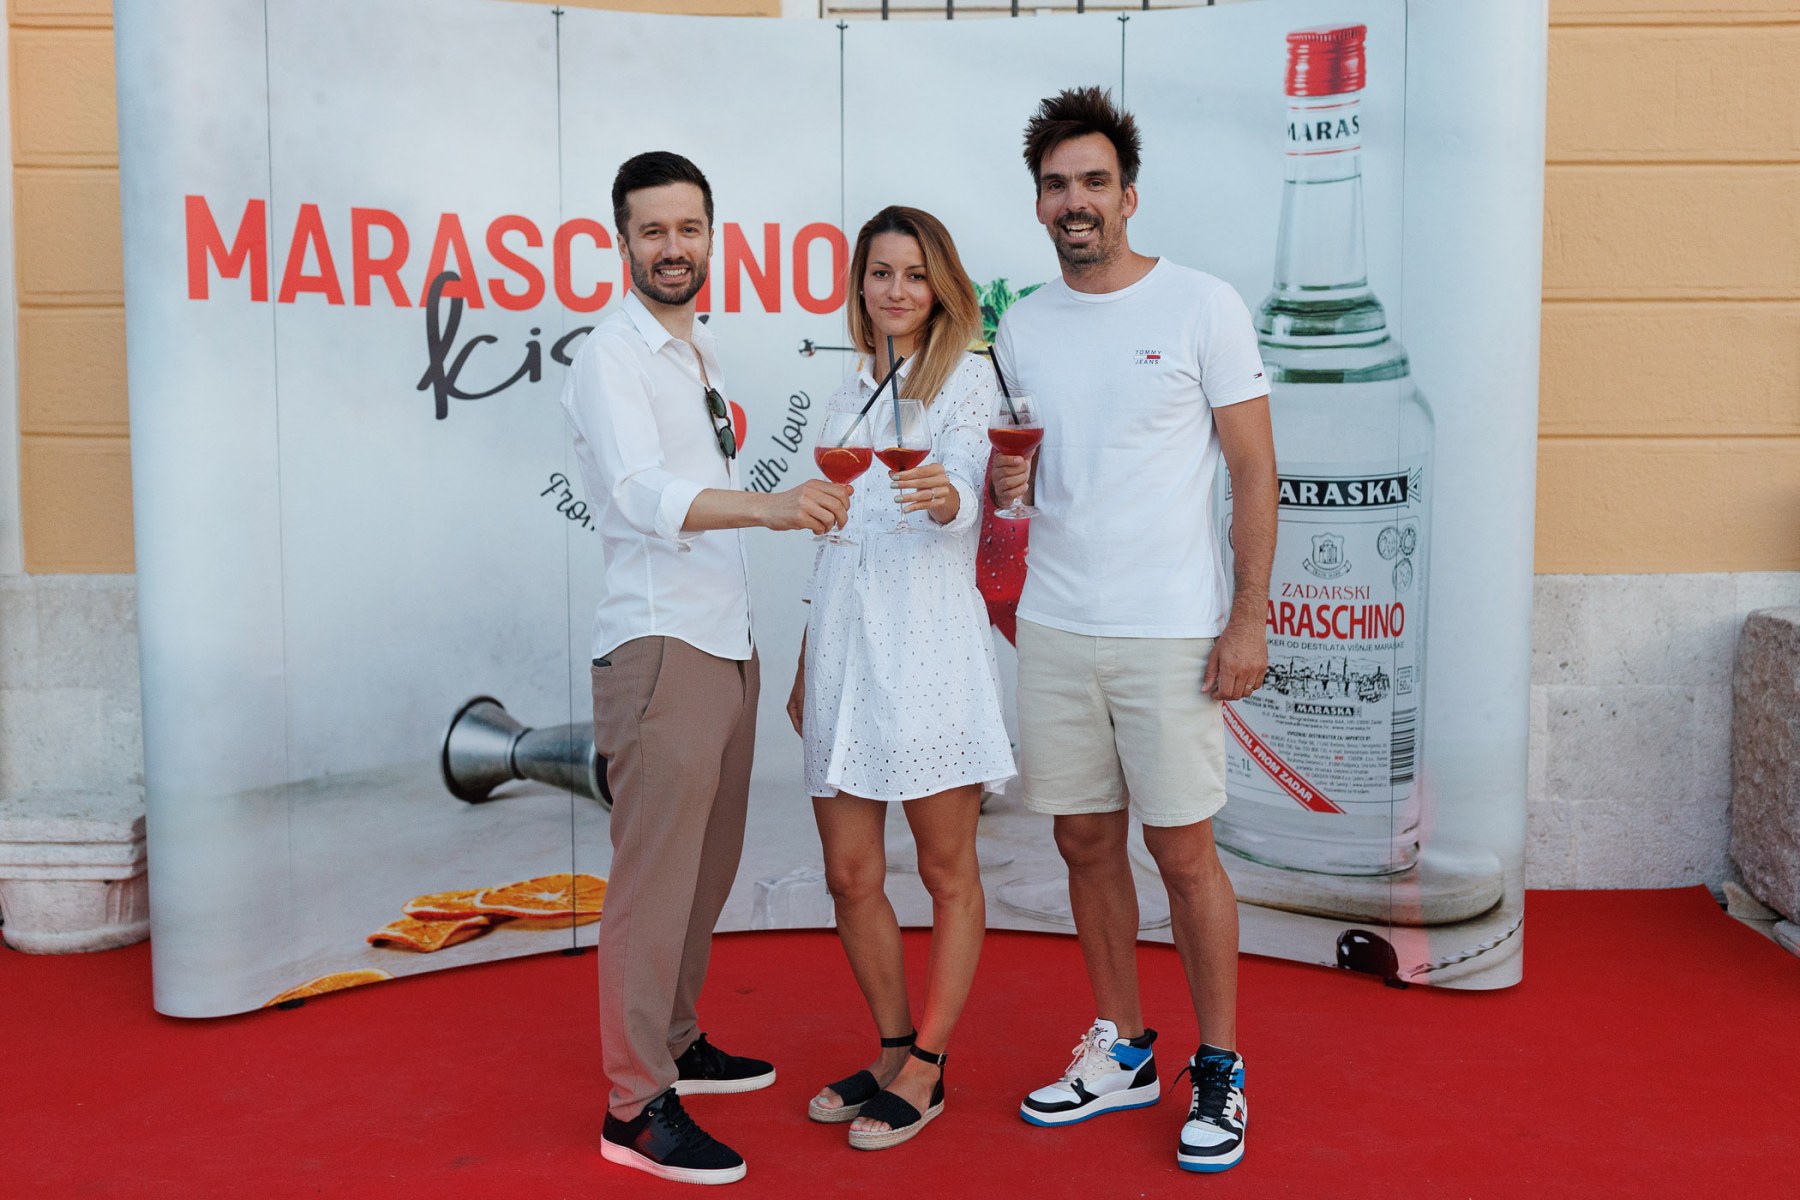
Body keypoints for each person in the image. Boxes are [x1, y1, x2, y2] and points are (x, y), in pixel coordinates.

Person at [989, 88, 1277, 1174]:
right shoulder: (1022, 324)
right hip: (1057, 625)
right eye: (1057, 185)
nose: (1076, 202)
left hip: (1173, 633)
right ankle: (1123, 1048)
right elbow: (1024, 480)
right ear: (1038, 204)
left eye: (1094, 182)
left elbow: (1255, 472)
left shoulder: (1203, 305)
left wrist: (1247, 620)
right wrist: (1007, 489)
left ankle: (1222, 1065)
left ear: (1129, 195)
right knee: (1083, 842)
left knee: (1185, 854)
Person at [562, 150, 853, 1187]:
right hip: (660, 648)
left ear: (710, 236)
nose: (673, 247)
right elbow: (640, 495)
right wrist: (775, 507)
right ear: (622, 242)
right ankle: (635, 1107)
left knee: (706, 869)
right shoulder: (612, 355)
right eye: (653, 231)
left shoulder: (697, 350)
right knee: (653, 884)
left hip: (725, 643)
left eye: (688, 228)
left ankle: (677, 1041)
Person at [787, 206, 1016, 1151]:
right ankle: (889, 1048)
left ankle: (930, 1061)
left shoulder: (969, 377)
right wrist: (807, 659)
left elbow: (966, 495)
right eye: (880, 273)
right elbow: (834, 537)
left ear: (941, 286)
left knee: (946, 870)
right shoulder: (847, 386)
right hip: (845, 646)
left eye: (915, 274)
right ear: (860, 286)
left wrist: (946, 492)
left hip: (928, 645)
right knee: (850, 875)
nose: (896, 290)